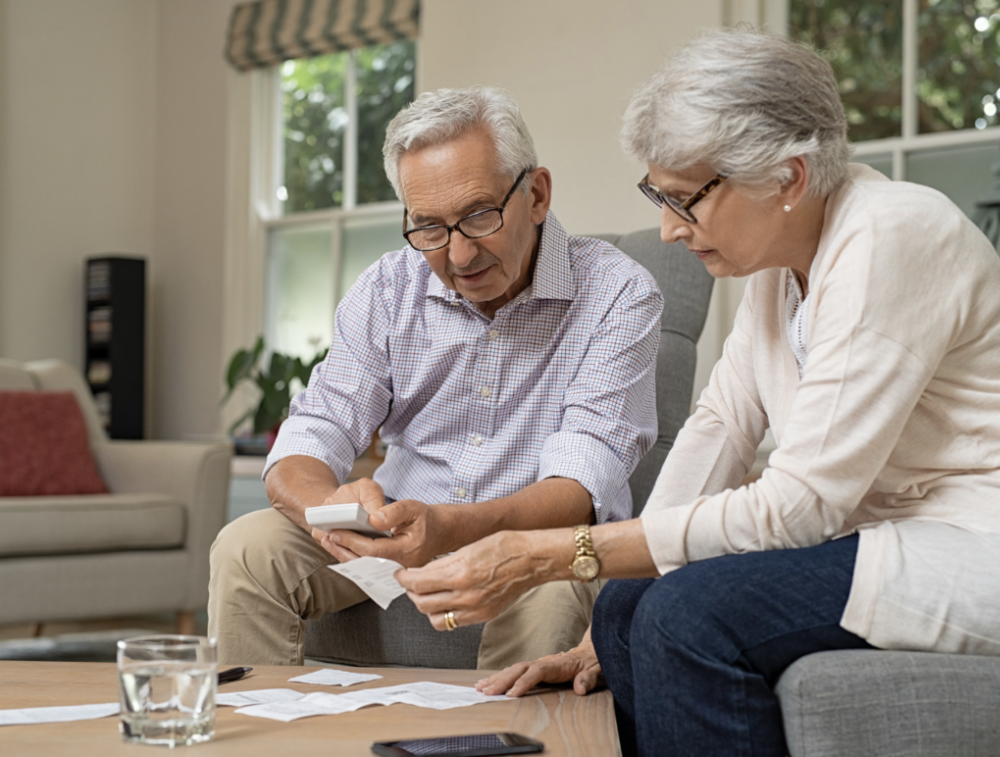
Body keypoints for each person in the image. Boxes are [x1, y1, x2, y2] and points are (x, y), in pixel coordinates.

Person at [394, 29, 1000, 757]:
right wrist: (606, 612)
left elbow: (798, 505)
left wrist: (551, 553)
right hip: (886, 540)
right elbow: (720, 424)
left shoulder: (892, 235)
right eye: (658, 196)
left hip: (984, 547)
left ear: (787, 178)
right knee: (631, 603)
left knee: (688, 617)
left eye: (686, 199)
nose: (667, 228)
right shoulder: (779, 270)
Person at [207, 86, 664, 670]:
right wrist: (332, 509)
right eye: (428, 227)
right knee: (247, 549)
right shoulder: (386, 289)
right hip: (395, 533)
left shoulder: (618, 293)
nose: (458, 254)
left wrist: (448, 529)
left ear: (537, 195)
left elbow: (579, 486)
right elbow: (316, 427)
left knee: (556, 584)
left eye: (478, 216)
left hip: (536, 543)